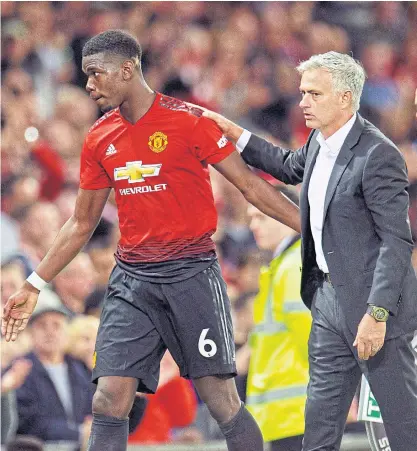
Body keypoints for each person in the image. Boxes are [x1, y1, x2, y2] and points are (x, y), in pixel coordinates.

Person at [2, 30, 301, 451]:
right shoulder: (99, 137)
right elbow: (80, 222)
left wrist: (311, 229)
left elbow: (252, 189)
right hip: (132, 280)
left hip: (191, 273)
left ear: (128, 69)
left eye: (96, 74)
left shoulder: (188, 120)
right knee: (108, 401)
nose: (88, 85)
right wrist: (35, 284)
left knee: (221, 401)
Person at [203, 51, 417, 451]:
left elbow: (396, 241)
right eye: (303, 93)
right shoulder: (320, 140)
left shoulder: (378, 154)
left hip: (373, 310)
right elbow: (286, 165)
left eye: (314, 94)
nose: (303, 102)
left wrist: (378, 313)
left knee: (404, 426)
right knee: (319, 426)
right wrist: (235, 132)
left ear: (345, 98)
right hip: (327, 302)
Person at [246, 185, 309, 451]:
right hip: (285, 415)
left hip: (296, 413)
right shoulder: (283, 264)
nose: (253, 224)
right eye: (250, 218)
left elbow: (311, 338)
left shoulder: (293, 266)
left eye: (260, 215)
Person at [14, 305, 93, 448]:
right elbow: (27, 422)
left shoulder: (80, 369)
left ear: (66, 333)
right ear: (31, 333)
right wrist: (79, 433)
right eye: (42, 326)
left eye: (56, 325)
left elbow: (96, 410)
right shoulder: (19, 369)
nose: (50, 332)